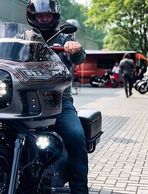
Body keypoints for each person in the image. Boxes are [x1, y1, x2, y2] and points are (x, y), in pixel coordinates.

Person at [26, 1, 88, 193]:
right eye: (40, 16)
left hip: (59, 100)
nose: (43, 19)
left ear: (54, 17)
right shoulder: (23, 37)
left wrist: (75, 49)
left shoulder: (64, 38)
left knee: (76, 136)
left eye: (47, 15)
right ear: (32, 17)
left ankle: (79, 188)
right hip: (27, 99)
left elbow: (79, 57)